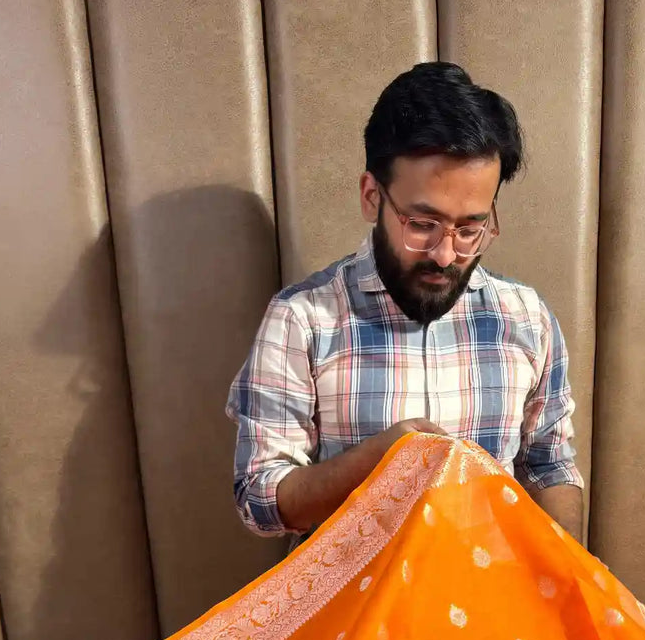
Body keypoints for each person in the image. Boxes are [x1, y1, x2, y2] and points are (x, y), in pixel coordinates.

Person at [229, 62, 585, 543]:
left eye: (471, 229)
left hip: (492, 597)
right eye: (422, 224)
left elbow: (549, 463)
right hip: (356, 607)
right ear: (372, 196)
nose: (445, 254)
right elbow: (260, 500)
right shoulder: (302, 320)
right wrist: (380, 462)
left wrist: (567, 580)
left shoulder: (525, 318)